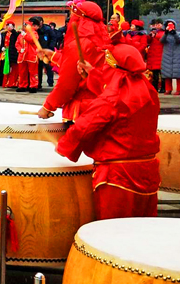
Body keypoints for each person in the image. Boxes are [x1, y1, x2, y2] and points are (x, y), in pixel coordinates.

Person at [55, 45, 160, 219]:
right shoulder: (149, 91)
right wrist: (92, 73)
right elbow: (116, 86)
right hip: (149, 171)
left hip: (117, 176)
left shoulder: (111, 98)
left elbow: (85, 126)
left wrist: (64, 146)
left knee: (111, 233)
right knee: (143, 230)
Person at [37, 0, 111, 123]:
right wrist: (54, 56)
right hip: (103, 105)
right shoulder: (103, 39)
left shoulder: (79, 43)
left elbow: (67, 83)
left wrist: (48, 106)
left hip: (82, 109)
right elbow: (80, 64)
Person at [160, 20, 180, 95]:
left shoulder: (179, 33)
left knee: (178, 74)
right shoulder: (165, 34)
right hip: (167, 55)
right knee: (167, 74)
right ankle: (168, 89)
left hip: (178, 56)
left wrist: (174, 33)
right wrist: (166, 33)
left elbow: (179, 40)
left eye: (172, 25)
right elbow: (161, 41)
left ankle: (179, 89)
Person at [32, 17, 57, 88]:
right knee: (38, 67)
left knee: (48, 66)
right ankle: (38, 83)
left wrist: (50, 48)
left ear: (42, 22)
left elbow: (53, 38)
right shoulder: (35, 30)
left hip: (47, 50)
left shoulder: (48, 29)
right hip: (38, 51)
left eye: (39, 22)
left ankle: (50, 82)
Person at [146, 19, 165, 92]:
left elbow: (162, 39)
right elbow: (148, 41)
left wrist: (155, 35)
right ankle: (155, 87)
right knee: (155, 74)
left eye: (158, 24)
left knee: (162, 73)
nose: (156, 26)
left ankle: (163, 88)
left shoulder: (163, 33)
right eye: (155, 24)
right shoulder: (153, 32)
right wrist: (150, 36)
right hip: (154, 55)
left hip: (161, 54)